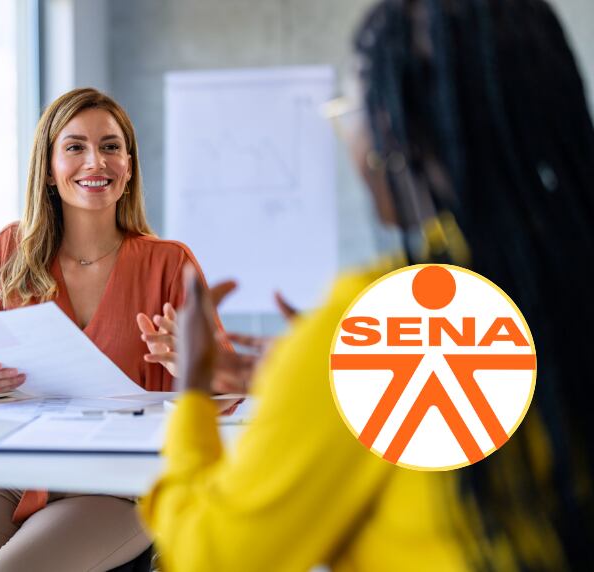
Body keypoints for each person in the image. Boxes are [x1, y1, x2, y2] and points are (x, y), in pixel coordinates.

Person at [140, 0, 594, 570]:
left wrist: (191, 396)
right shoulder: (557, 279)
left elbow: (210, 555)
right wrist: (298, 376)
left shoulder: (375, 331)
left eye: (350, 107)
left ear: (393, 131)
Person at [0, 88, 221, 572]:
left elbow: (228, 390)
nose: (96, 161)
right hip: (14, 471)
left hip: (118, 484)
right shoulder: (12, 251)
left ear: (129, 165)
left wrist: (189, 364)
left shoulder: (169, 263)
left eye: (111, 146)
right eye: (75, 147)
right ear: (50, 169)